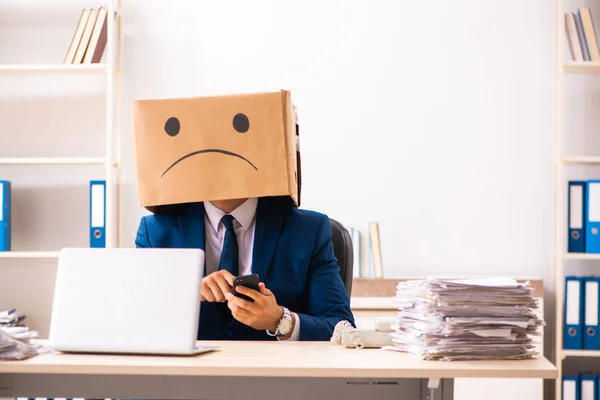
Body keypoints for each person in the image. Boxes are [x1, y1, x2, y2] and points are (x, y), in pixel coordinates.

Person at [135, 195, 355, 341]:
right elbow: (136, 323)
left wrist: (280, 320)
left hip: (274, 385)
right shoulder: (156, 230)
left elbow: (341, 327)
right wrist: (187, 292)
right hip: (183, 384)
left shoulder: (309, 229)